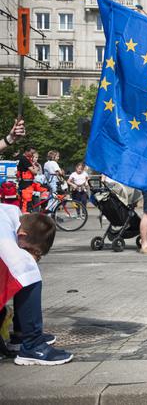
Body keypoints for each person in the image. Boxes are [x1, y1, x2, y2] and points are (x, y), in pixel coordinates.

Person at [0, 204, 72, 365]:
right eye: (30, 250)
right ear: (22, 235)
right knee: (26, 269)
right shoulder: (3, 225)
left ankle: (22, 334)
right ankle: (33, 345)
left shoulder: (11, 216)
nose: (31, 256)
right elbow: (23, 266)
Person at [17, 146, 40, 213]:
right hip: (26, 185)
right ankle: (25, 218)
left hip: (27, 183)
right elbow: (34, 172)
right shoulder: (25, 159)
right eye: (31, 153)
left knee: (45, 189)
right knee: (26, 203)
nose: (32, 154)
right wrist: (36, 167)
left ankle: (35, 212)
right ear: (26, 152)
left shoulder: (23, 158)